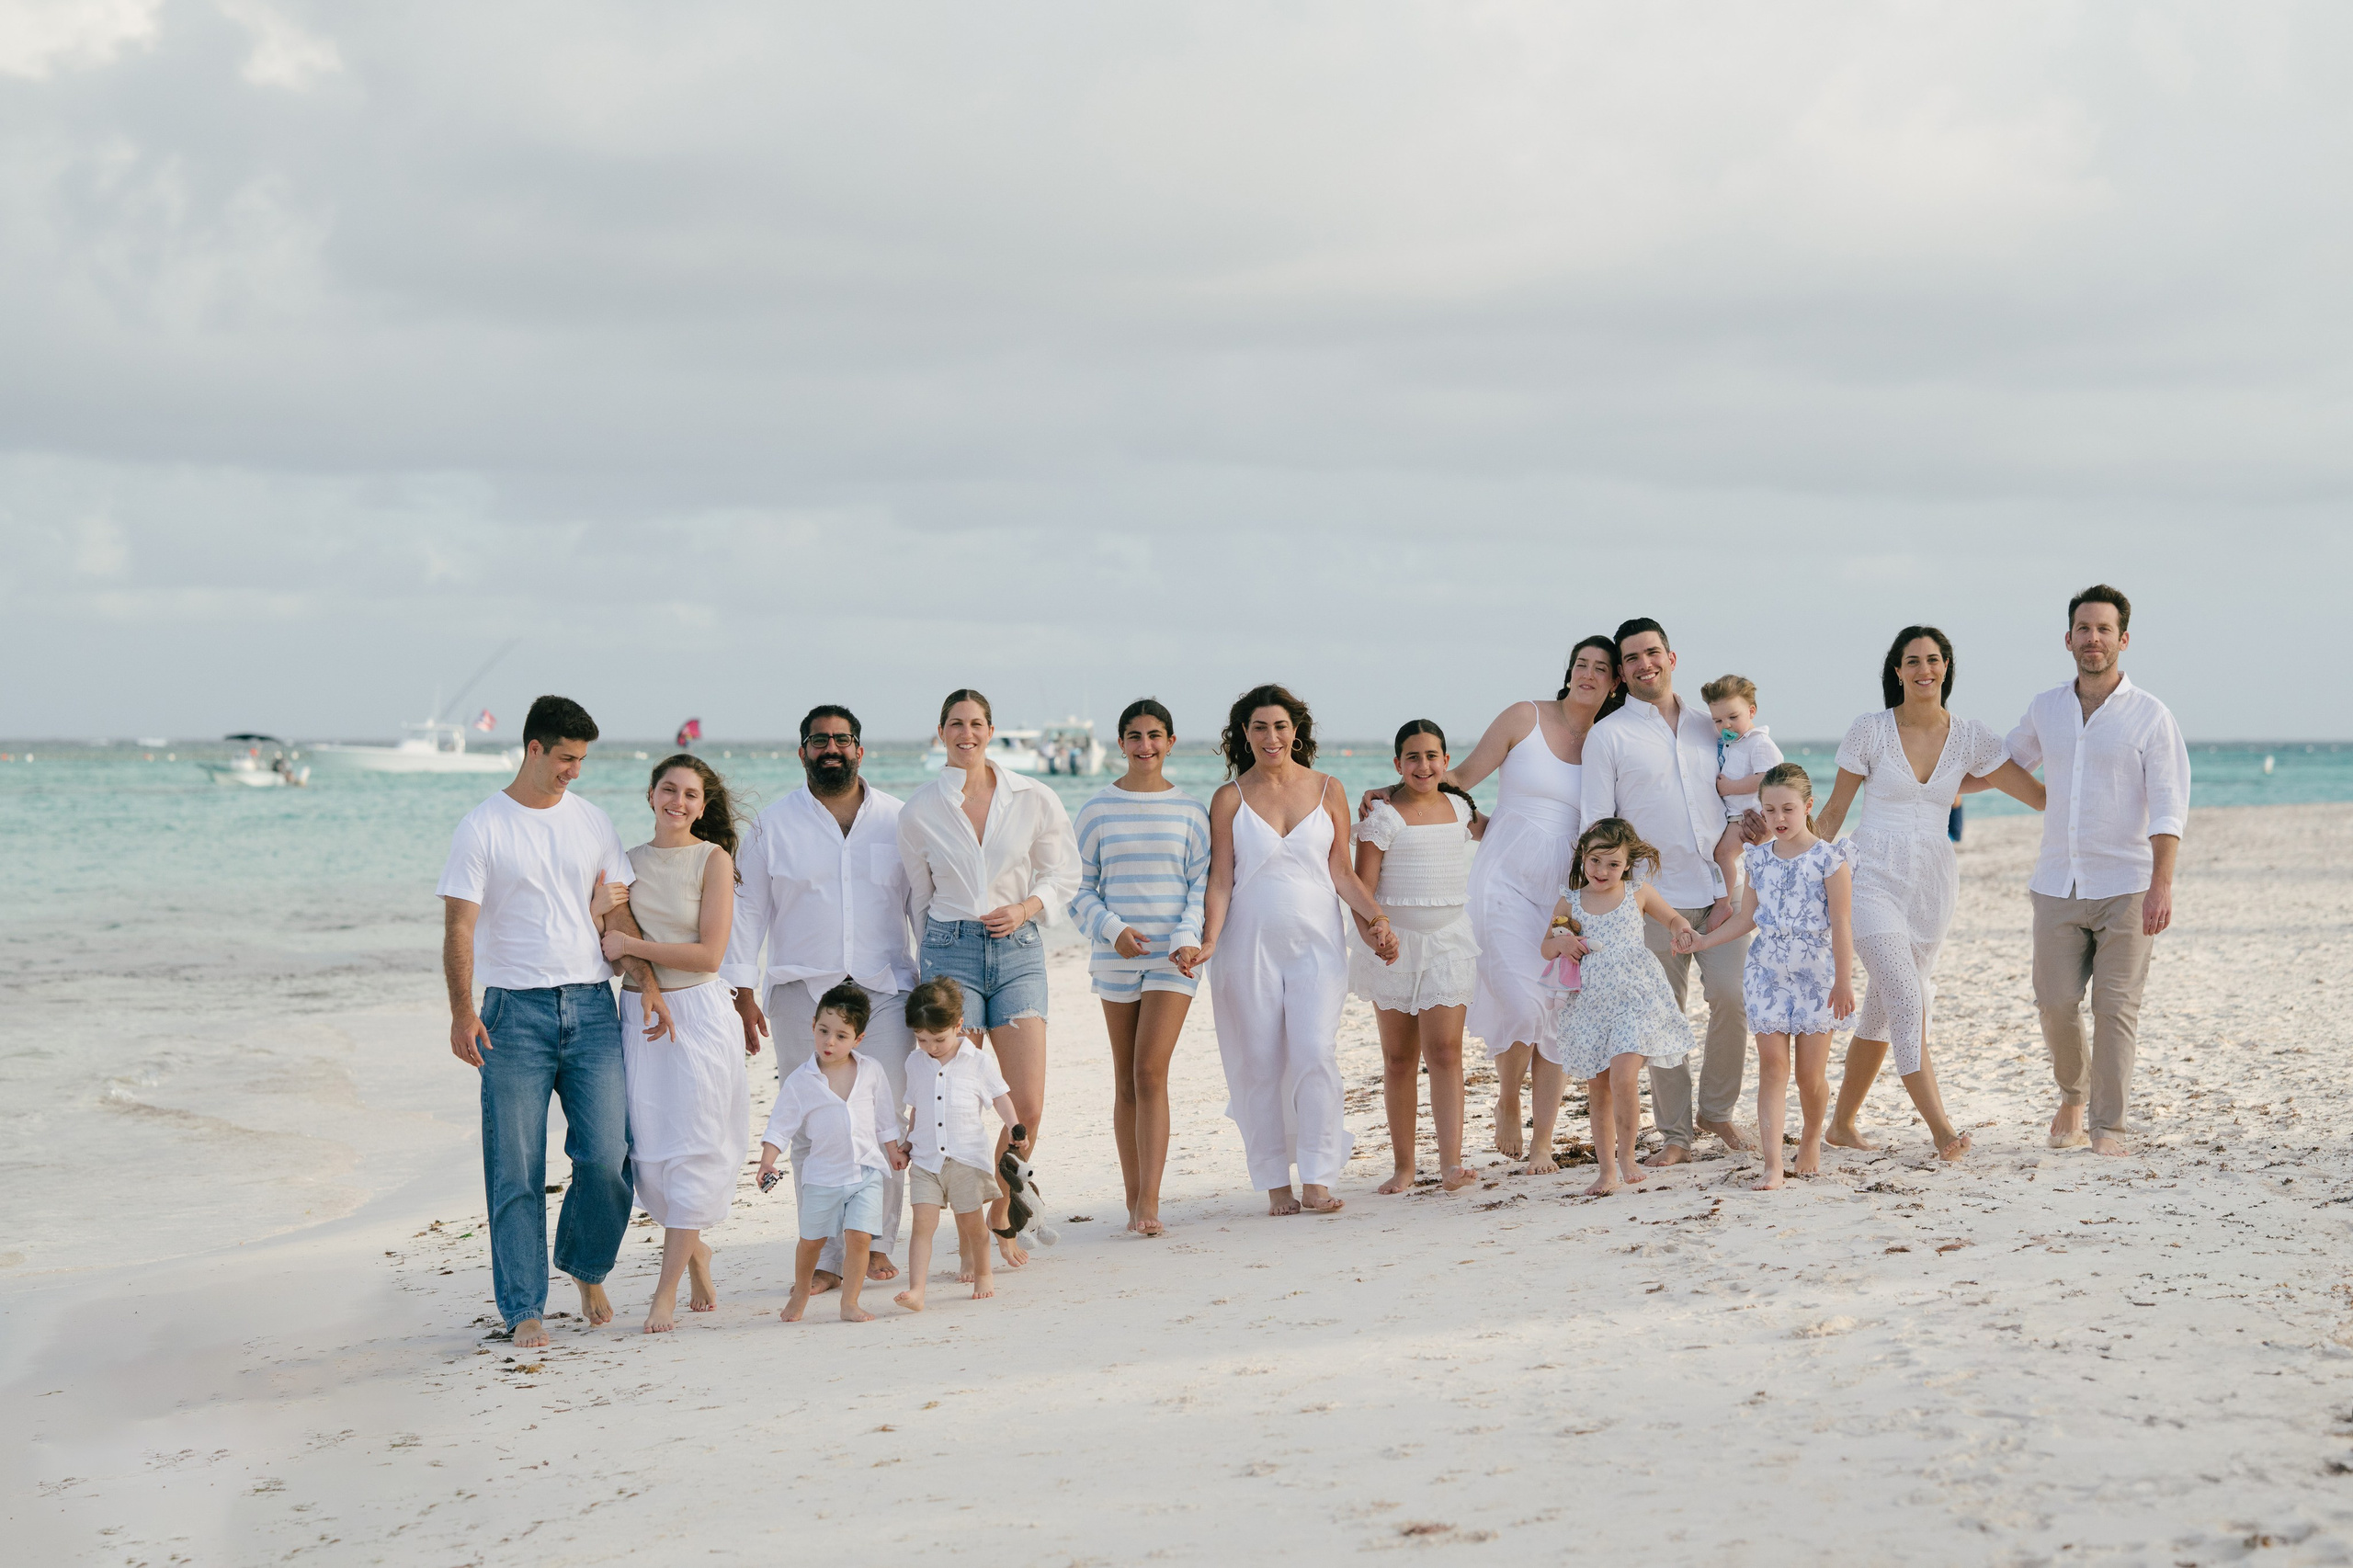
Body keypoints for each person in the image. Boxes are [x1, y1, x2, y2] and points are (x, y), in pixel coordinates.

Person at [437, 695, 648, 1351]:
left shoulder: (592, 822)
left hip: (590, 1008)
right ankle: (524, 1307)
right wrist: (461, 1010)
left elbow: (618, 915)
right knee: (515, 1170)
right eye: (565, 758)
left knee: (611, 1155)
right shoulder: (483, 826)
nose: (574, 772)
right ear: (533, 749)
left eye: (581, 760)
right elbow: (459, 926)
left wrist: (653, 986)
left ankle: (583, 1264)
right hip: (512, 1015)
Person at [1365, 636, 1621, 1162]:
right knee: (1525, 1004)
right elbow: (1454, 781)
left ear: (1616, 681)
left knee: (1555, 1007)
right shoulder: (1523, 716)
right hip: (1502, 879)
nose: (1588, 675)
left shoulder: (1610, 739)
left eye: (1601, 669)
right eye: (1581, 665)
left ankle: (1543, 1142)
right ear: (1569, 669)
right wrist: (1389, 794)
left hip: (1564, 892)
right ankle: (1508, 1098)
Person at [1814, 625, 2046, 1161]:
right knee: (1906, 993)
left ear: (1947, 668)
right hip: (1870, 874)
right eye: (1913, 660)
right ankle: (1941, 1127)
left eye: (1934, 660)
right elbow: (1832, 814)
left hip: (1934, 885)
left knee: (1883, 1007)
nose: (1924, 669)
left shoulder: (1970, 738)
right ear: (1897, 671)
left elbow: (2036, 796)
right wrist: (1786, 866)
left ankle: (1843, 1125)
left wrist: (2097, 780)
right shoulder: (1869, 731)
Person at [722, 704, 918, 1293]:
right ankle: (829, 1255)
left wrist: (940, 990)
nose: (831, 748)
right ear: (801, 750)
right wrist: (742, 991)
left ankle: (875, 1245)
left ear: (860, 749)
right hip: (801, 994)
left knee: (882, 1122)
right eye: (819, 740)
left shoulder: (898, 820)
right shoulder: (770, 826)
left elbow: (922, 905)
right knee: (812, 1126)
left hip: (884, 988)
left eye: (842, 739)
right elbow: (748, 911)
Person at [2006, 585, 2189, 1156]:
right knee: (2055, 1001)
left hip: (2128, 886)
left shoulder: (2151, 716)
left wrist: (2162, 884)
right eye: (2084, 628)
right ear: (2068, 639)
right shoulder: (2046, 707)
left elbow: (2168, 806)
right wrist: (1937, 791)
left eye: (2104, 629)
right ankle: (2073, 1095)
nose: (2093, 638)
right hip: (2057, 882)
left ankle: (2108, 1128)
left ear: (2123, 640)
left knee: (2115, 1009)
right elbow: (2006, 763)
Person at [899, 688, 1080, 1266]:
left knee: (1025, 1103)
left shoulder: (1033, 796)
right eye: (956, 724)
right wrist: (927, 962)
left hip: (1020, 949)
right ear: (941, 731)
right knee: (956, 1101)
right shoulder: (920, 808)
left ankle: (1003, 1205)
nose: (966, 734)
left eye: (976, 724)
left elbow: (1063, 873)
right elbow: (918, 898)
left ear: (991, 729)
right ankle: (970, 1231)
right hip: (950, 951)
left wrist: (1026, 909)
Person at [1200, 684, 1396, 1216]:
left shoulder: (1328, 788)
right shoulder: (1229, 798)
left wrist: (1376, 921)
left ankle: (1317, 1175)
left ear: (1296, 731)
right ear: (1245, 733)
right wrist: (1209, 940)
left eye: (1280, 726)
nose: (1271, 737)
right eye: (1260, 727)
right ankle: (1274, 1184)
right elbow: (1221, 880)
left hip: (1317, 943)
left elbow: (1342, 872)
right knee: (1259, 1064)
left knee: (1315, 1053)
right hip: (1247, 946)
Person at [1580, 619, 1762, 1165]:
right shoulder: (1608, 736)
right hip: (1652, 900)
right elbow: (1597, 824)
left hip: (1719, 893)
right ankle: (1677, 1135)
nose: (1644, 664)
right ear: (1621, 672)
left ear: (1672, 656)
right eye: (1631, 658)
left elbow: (1747, 790)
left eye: (1652, 652)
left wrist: (1753, 823)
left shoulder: (1715, 726)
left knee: (1733, 998)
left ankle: (1717, 1110)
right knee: (1662, 1016)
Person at [595, 754, 742, 1334]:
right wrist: (611, 930)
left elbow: (709, 954)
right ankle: (696, 1250)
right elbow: (604, 944)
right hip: (638, 1015)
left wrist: (634, 944)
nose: (678, 802)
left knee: (697, 1150)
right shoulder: (623, 865)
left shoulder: (714, 860)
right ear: (650, 795)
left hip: (700, 1014)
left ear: (703, 807)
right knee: (650, 1160)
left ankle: (665, 1293)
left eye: (690, 795)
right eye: (668, 790)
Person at [1068, 699, 1211, 1237]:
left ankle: (1150, 1199)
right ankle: (1131, 1200)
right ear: (1121, 743)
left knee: (1151, 1071)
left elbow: (1201, 886)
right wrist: (1112, 931)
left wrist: (1186, 938)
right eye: (1134, 736)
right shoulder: (1096, 810)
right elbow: (1076, 890)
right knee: (1125, 1079)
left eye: (1155, 735)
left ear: (1171, 742)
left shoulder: (1192, 811)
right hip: (1116, 955)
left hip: (1176, 958)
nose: (1145, 745)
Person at [1678, 764, 1856, 1189]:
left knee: (1810, 1076)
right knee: (1774, 1068)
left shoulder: (1830, 859)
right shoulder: (1758, 858)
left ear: (1808, 807)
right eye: (1770, 808)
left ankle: (1811, 1139)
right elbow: (1748, 918)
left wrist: (1844, 981)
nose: (1779, 818)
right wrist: (1705, 941)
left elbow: (1844, 923)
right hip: (1766, 973)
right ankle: (1773, 1165)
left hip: (1816, 974)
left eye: (1788, 809)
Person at [1350, 721, 1482, 1194]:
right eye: (1412, 757)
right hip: (1396, 943)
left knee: (1446, 1051)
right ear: (1397, 764)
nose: (1423, 765)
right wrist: (1374, 936)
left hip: (1449, 940)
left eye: (1432, 756)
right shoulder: (1383, 817)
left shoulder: (1461, 807)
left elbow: (1501, 833)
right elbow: (1360, 889)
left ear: (1446, 761)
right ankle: (1404, 1166)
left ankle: (1451, 1164)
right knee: (1399, 1058)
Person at [1544, 819, 1701, 1198]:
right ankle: (1606, 1169)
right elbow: (1546, 947)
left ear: (1627, 865)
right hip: (1591, 1003)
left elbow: (1673, 918)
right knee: (1598, 1089)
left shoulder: (1638, 892)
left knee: (1623, 1077)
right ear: (1583, 856)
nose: (1602, 871)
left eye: (1613, 864)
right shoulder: (1571, 900)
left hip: (1636, 998)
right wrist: (1562, 946)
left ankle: (1628, 1157)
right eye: (1595, 860)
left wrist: (1682, 930)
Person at [758, 983, 906, 1324]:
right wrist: (768, 1160)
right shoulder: (801, 1080)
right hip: (823, 1177)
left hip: (866, 1172)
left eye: (841, 1036)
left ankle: (850, 1302)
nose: (829, 1042)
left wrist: (893, 1152)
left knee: (860, 1238)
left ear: (858, 1039)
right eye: (823, 1031)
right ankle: (800, 1292)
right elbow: (780, 1125)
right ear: (812, 1026)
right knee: (811, 1242)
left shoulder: (871, 1071)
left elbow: (885, 1119)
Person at [892, 978, 1024, 1310]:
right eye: (922, 1039)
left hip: (965, 1158)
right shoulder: (914, 1062)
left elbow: (1000, 1096)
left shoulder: (977, 1061)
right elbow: (917, 1107)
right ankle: (917, 1290)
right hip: (925, 1161)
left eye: (939, 1038)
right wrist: (907, 1142)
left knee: (972, 1224)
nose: (931, 1047)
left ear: (958, 1025)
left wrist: (1013, 1126)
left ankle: (983, 1273)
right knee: (922, 1225)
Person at [1701, 675, 1784, 912]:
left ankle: (1724, 903)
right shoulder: (1733, 743)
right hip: (1734, 816)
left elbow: (1767, 778)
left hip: (1749, 816)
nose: (1725, 725)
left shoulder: (1760, 743)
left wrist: (1728, 788)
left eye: (1733, 717)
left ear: (1752, 711)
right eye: (1718, 720)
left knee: (1723, 854)